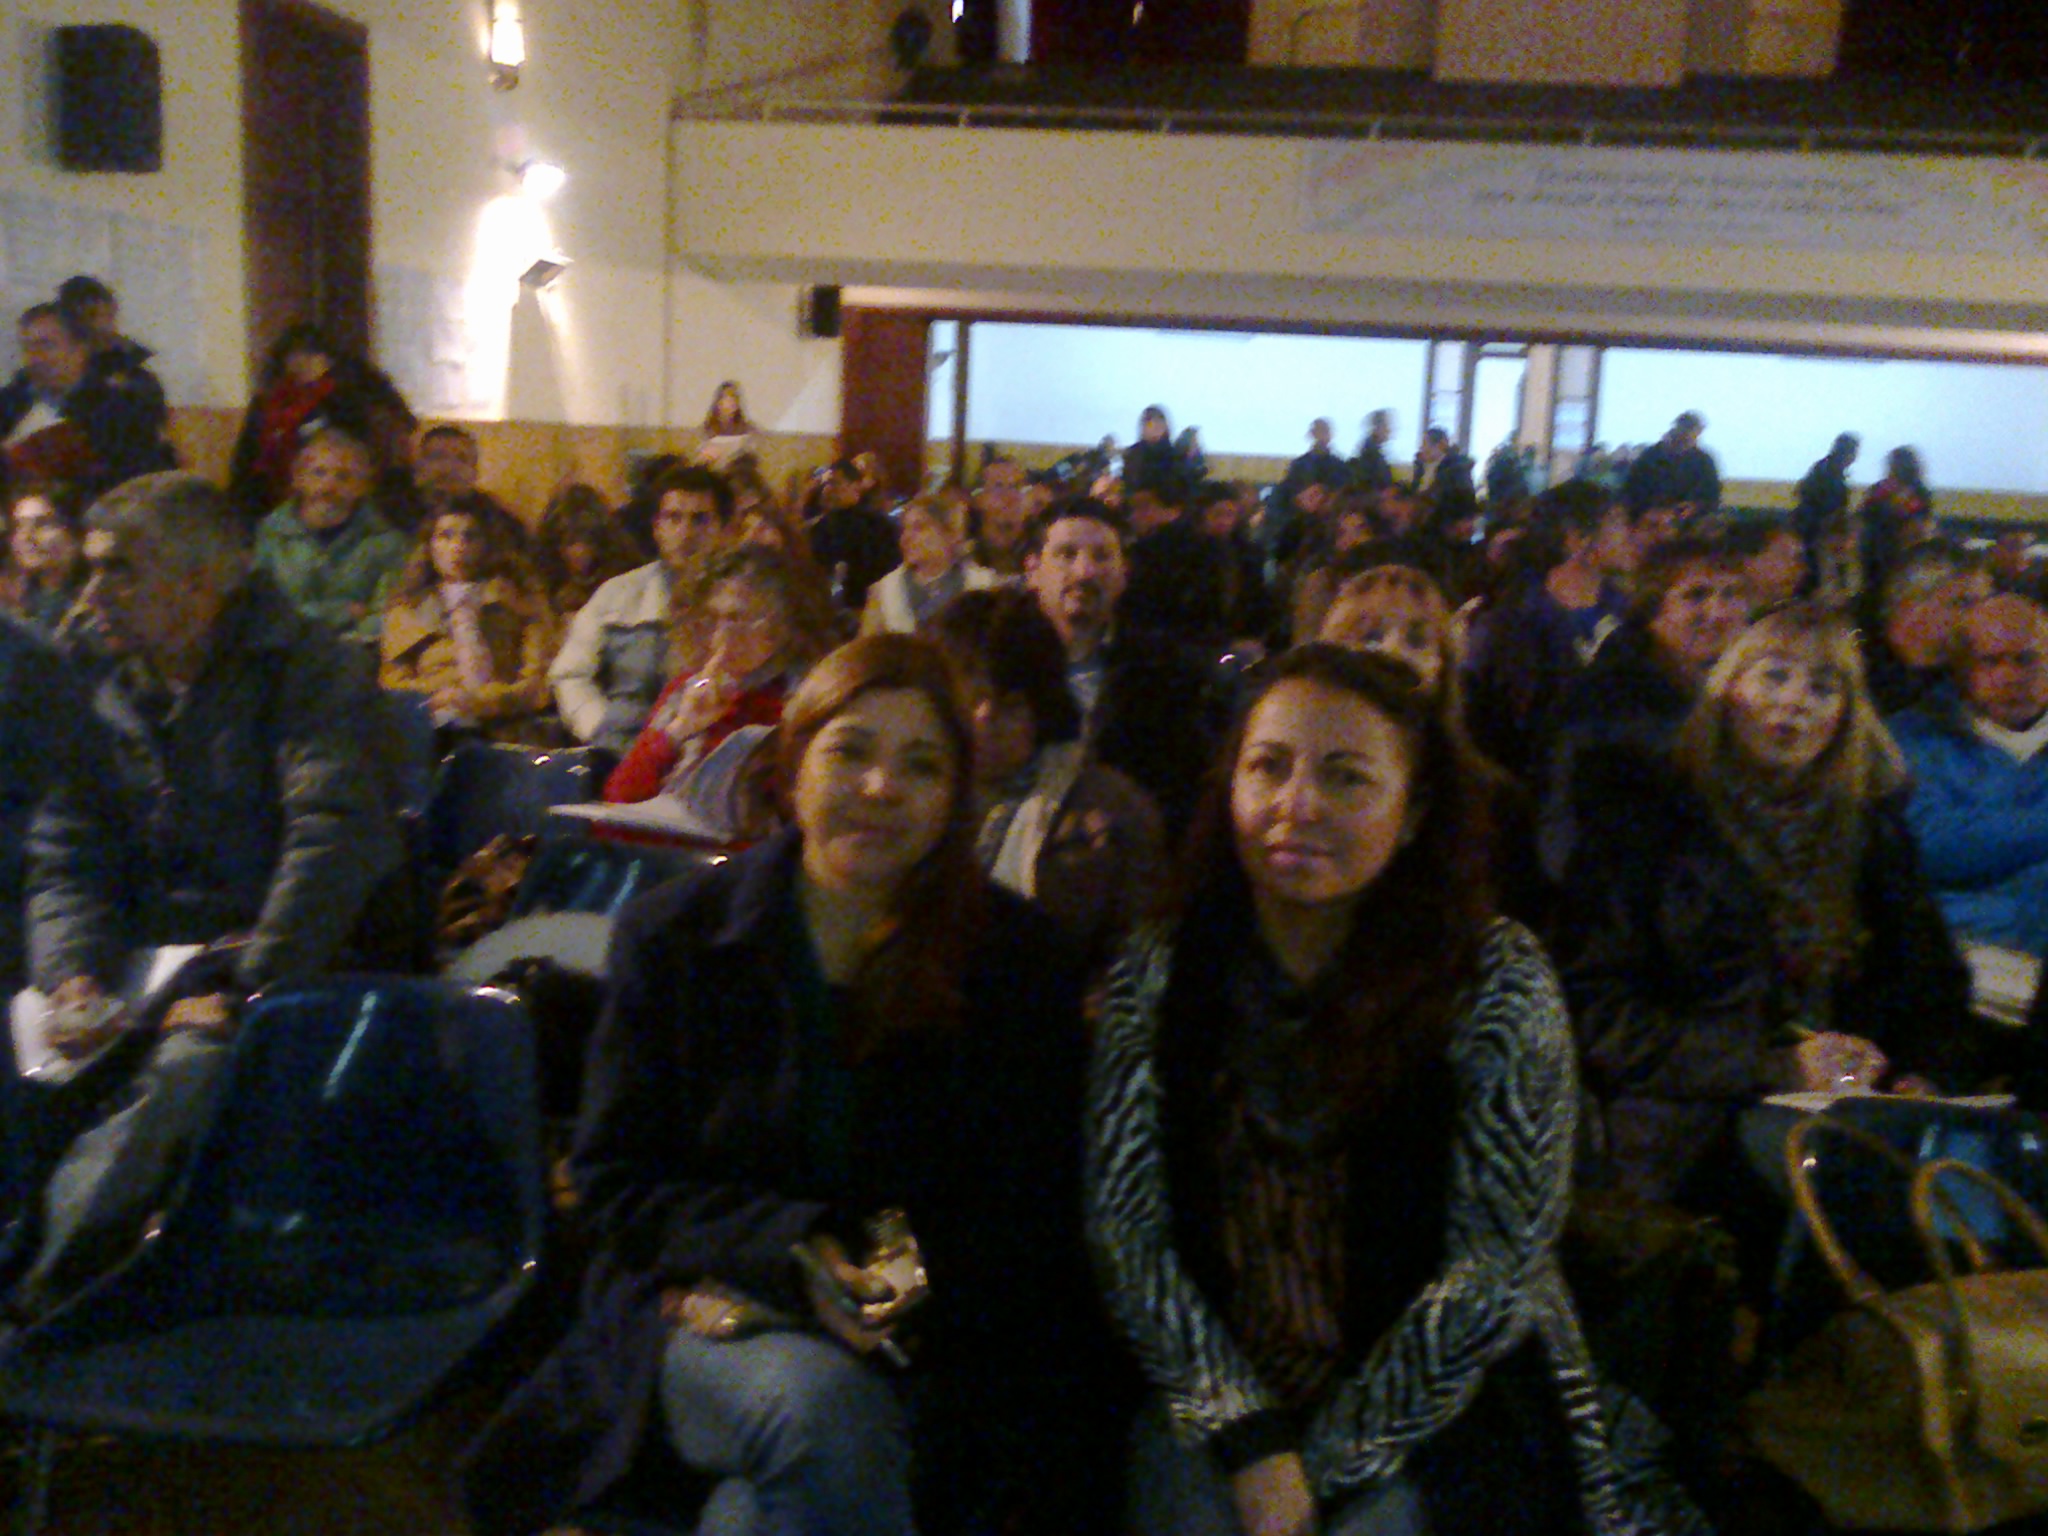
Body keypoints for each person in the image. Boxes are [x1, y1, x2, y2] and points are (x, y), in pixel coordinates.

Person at [465, 634, 1110, 1536]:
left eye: (921, 766)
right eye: (851, 752)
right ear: (795, 767)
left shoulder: (1018, 960)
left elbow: (1034, 1203)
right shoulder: (676, 936)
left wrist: (889, 1292)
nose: (881, 787)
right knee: (817, 1410)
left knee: (759, 1511)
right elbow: (614, 1181)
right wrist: (793, 1258)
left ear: (953, 796)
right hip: (707, 1311)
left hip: (933, 1331)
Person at [1086, 643, 1705, 1536]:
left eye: (1346, 777)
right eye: (1269, 767)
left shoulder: (1493, 978)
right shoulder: (1165, 968)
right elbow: (1127, 1229)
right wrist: (1247, 1434)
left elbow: (1497, 1266)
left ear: (1412, 813)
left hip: (1440, 1400)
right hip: (1218, 1389)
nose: (1297, 805)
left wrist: (1324, 1464)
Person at [21, 471, 407, 1309]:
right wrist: (74, 973)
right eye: (91, 568)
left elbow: (331, 844)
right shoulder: (95, 675)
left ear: (200, 584)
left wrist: (245, 989)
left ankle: (38, 1304)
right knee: (35, 1042)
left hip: (284, 962)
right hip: (146, 965)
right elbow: (67, 852)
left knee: (182, 1073)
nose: (92, 594)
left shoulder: (309, 671)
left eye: (120, 570)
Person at [1556, 603, 1975, 1213]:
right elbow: (1599, 1018)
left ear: (1846, 716)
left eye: (1823, 687)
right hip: (1692, 1127)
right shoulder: (1644, 825)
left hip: (1853, 1117)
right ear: (1728, 691)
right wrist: (1774, 1067)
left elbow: (1935, 987)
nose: (1796, 701)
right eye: (1774, 676)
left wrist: (1920, 1074)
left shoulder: (1872, 835)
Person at [926, 587, 1166, 969]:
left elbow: (1139, 952)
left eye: (1009, 704)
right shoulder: (911, 793)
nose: (984, 718)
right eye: (970, 698)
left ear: (1042, 709)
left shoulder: (1108, 808)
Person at [1535, 534, 1750, 879]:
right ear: (1652, 608)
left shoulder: (1738, 692)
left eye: (1732, 594)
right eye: (1696, 595)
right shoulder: (1610, 699)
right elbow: (1567, 827)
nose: (1718, 612)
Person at [1026, 500, 1221, 837]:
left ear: (1123, 575)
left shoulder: (1165, 674)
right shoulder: (1001, 661)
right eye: (1066, 554)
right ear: (1032, 570)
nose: (1085, 571)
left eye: (1102, 557)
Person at [603, 545, 838, 811]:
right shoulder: (687, 690)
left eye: (738, 619)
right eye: (711, 619)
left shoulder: (805, 697)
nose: (720, 635)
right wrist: (679, 729)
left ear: (783, 624)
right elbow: (619, 798)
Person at [1890, 594, 2048, 957]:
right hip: (1956, 950)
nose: (2009, 677)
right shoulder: (1910, 738)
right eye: (1990, 661)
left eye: (2026, 659)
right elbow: (1929, 848)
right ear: (1963, 670)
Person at [551, 464, 732, 754]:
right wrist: (598, 727)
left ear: (724, 530)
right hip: (618, 749)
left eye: (700, 520)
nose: (685, 533)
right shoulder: (618, 594)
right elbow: (570, 674)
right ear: (657, 528)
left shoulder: (741, 598)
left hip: (708, 750)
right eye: (673, 518)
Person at [1464, 483, 1634, 781]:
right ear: (1577, 538)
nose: (1629, 534)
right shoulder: (1512, 620)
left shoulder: (1628, 612)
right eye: (1616, 523)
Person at [378, 501, 553, 742]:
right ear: (429, 546)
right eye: (446, 536)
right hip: (434, 728)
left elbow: (536, 683)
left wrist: (481, 701)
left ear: (488, 544)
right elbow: (394, 686)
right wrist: (438, 695)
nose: (458, 547)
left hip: (508, 726)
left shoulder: (520, 602)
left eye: (471, 537)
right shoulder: (408, 609)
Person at [226, 322, 415, 528]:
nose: (302, 365)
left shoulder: (355, 396)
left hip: (347, 503)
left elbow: (382, 445)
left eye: (311, 356)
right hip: (275, 503)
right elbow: (247, 459)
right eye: (294, 358)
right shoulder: (271, 402)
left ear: (329, 359)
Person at [251, 425, 410, 647]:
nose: (328, 486)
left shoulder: (387, 543)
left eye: (343, 477)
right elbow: (260, 610)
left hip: (353, 654)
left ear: (362, 486)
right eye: (319, 473)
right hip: (279, 650)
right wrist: (341, 612)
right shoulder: (272, 533)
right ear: (299, 479)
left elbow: (386, 616)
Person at [0, 302, 173, 498]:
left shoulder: (120, 405)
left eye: (46, 345)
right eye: (27, 348)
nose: (34, 358)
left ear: (79, 350)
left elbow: (140, 477)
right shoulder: (11, 400)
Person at [1859, 539, 1989, 717]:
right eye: (1963, 603)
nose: (1981, 616)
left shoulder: (1974, 681)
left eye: (1985, 604)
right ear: (1910, 606)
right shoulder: (1853, 673)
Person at [860, 493, 997, 635]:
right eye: (904, 529)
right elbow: (868, 645)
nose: (906, 538)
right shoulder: (884, 591)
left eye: (919, 528)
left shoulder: (983, 585)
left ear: (951, 533)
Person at [533, 482, 642, 628]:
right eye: (570, 542)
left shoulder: (624, 571)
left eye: (587, 540)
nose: (579, 551)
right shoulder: (546, 575)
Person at [806, 459, 899, 614]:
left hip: (873, 603)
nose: (828, 490)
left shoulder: (877, 524)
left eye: (835, 483)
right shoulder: (822, 527)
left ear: (855, 486)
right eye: (825, 485)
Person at [3, 479, 90, 636]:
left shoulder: (94, 600)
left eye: (42, 524)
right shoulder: (22, 602)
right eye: (18, 526)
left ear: (74, 534)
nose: (25, 536)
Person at [1858, 446, 1934, 597]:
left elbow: (1921, 519)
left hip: (1898, 548)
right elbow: (1866, 514)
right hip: (1880, 549)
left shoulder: (1916, 491)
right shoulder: (1881, 489)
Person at [1792, 432, 1858, 597]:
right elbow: (1830, 508)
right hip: (1817, 533)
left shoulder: (1822, 468)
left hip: (1810, 530)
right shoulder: (1832, 476)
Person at [1621, 412, 1719, 520]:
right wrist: (1650, 511)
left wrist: (1694, 507)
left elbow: (1711, 497)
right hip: (1647, 518)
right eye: (1685, 429)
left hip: (1687, 521)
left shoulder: (1704, 462)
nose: (1687, 435)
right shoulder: (1650, 456)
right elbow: (1631, 489)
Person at [697, 379, 760, 470]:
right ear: (718, 402)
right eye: (726, 398)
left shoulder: (746, 427)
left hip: (737, 469)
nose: (730, 402)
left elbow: (754, 450)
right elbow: (698, 451)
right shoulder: (707, 428)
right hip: (713, 469)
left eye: (733, 398)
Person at [1410, 426, 1474, 503]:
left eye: (1424, 444)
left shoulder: (1456, 469)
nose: (1421, 448)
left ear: (1441, 445)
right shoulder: (1422, 468)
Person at [1351, 409, 1395, 494]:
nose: (1390, 430)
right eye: (1387, 426)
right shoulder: (1371, 453)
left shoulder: (1373, 450)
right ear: (1378, 427)